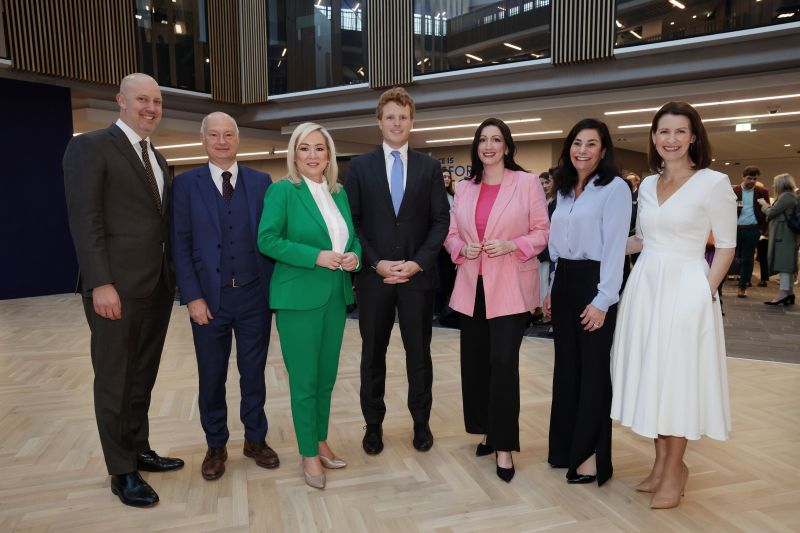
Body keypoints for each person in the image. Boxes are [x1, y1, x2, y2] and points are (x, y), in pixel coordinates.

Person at [63, 73, 183, 507]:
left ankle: (139, 448)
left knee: (142, 376)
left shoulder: (160, 157)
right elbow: (86, 220)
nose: (150, 107)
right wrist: (101, 282)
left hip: (156, 287)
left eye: (156, 100)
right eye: (142, 100)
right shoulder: (90, 147)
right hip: (113, 289)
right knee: (114, 380)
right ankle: (121, 471)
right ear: (121, 101)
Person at [610, 102, 736, 510]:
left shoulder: (713, 183)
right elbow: (643, 240)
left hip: (687, 290)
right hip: (646, 288)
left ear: (694, 137)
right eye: (664, 131)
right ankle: (662, 463)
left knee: (677, 380)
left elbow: (727, 248)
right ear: (653, 137)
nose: (671, 139)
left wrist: (705, 293)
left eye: (680, 131)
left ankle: (676, 469)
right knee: (652, 375)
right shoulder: (645, 186)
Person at [171, 112, 279, 482]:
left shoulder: (262, 181)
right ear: (203, 139)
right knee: (212, 376)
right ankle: (216, 445)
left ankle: (255, 439)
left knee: (254, 375)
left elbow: (272, 237)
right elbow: (180, 246)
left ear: (237, 138)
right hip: (209, 303)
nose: (221, 141)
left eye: (228, 134)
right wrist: (193, 297)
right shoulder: (185, 185)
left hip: (254, 299)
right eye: (214, 135)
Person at [345, 87, 450, 455]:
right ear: (379, 121)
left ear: (411, 122)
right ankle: (373, 425)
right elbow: (353, 222)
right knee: (372, 355)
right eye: (390, 116)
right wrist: (376, 262)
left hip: (417, 281)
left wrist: (417, 262)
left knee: (418, 355)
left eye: (403, 117)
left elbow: (441, 221)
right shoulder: (358, 167)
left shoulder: (429, 167)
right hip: (374, 280)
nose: (396, 123)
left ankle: (421, 423)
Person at [444, 118, 549, 482]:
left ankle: (504, 445)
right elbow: (451, 234)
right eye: (483, 140)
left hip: (511, 290)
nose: (489, 145)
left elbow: (542, 232)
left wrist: (513, 245)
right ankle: (488, 428)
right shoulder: (465, 188)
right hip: (473, 287)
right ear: (476, 147)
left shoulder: (527, 182)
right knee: (477, 365)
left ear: (507, 146)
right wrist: (462, 248)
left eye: (496, 139)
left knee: (504, 364)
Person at [258, 122, 361, 489]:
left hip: (334, 296)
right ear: (294, 154)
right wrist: (315, 256)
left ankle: (319, 439)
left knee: (326, 379)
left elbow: (351, 239)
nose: (313, 155)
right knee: (304, 380)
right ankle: (307, 453)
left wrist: (354, 258)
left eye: (320, 148)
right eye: (305, 148)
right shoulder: (283, 191)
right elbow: (267, 240)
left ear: (329, 155)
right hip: (298, 298)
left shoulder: (339, 193)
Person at [543, 118, 631, 487]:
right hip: (564, 283)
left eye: (591, 144)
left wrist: (603, 300)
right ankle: (565, 449)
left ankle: (593, 458)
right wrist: (550, 287)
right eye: (577, 143)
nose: (582, 150)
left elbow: (614, 249)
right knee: (567, 371)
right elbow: (556, 250)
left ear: (603, 150)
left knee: (594, 373)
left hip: (595, 285)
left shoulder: (615, 189)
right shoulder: (563, 190)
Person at [758, 173, 798, 305]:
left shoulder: (786, 196)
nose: (774, 185)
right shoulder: (791, 196)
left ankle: (783, 294)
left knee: (784, 265)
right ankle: (789, 293)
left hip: (784, 235)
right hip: (786, 235)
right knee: (787, 265)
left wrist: (764, 204)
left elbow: (771, 212)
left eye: (775, 183)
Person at [733, 166, 770, 297]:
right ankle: (719, 288)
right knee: (732, 257)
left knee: (748, 259)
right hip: (735, 229)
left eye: (755, 179)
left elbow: (767, 212)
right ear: (743, 177)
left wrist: (761, 229)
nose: (752, 181)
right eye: (749, 178)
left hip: (753, 229)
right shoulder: (734, 191)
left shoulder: (762, 192)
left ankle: (742, 287)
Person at [435, 168, 458, 320]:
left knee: (450, 277)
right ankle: (436, 309)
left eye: (448, 177)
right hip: (438, 243)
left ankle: (447, 308)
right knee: (439, 277)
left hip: (452, 242)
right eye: (443, 176)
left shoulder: (454, 196)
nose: (446, 179)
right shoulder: (433, 196)